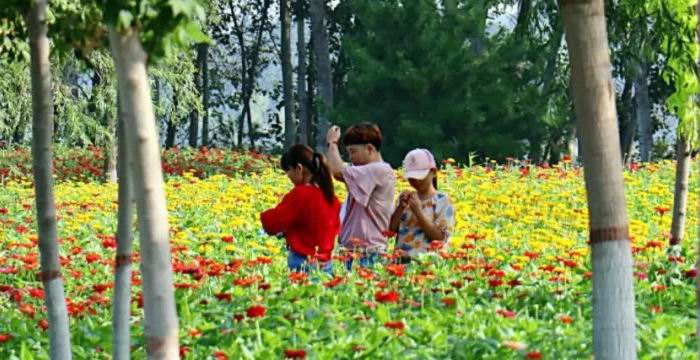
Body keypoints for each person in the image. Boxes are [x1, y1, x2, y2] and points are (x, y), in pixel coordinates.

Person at [260, 145, 341, 273]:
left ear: (299, 168)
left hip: (303, 260)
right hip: (325, 262)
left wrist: (264, 217)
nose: (289, 178)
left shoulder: (301, 194)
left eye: (289, 172)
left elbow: (273, 222)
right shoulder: (331, 197)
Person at [325, 123, 396, 269]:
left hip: (368, 252)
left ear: (369, 148)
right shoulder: (365, 170)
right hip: (354, 250)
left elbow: (338, 172)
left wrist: (332, 143)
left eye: (353, 151)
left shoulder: (378, 170)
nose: (351, 157)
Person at [389, 148, 455, 263]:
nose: (416, 181)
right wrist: (400, 208)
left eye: (420, 177)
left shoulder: (443, 201)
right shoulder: (406, 199)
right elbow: (390, 231)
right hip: (400, 264)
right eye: (412, 178)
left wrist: (418, 211)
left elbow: (440, 238)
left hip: (426, 265)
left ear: (433, 172)